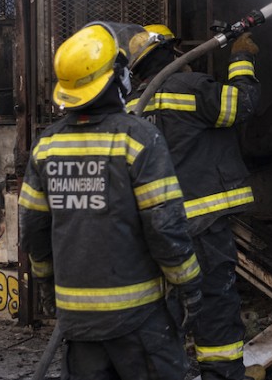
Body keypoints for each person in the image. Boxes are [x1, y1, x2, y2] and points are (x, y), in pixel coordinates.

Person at [19, 21, 203, 380]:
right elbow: (165, 227)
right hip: (139, 321)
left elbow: (33, 230)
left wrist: (47, 286)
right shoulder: (138, 140)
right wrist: (189, 286)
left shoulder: (47, 146)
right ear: (116, 78)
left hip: (78, 323)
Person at [126, 25, 261, 380]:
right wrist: (241, 58)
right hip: (201, 226)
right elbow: (241, 105)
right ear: (171, 54)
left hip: (154, 229)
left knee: (165, 307)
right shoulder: (192, 89)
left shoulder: (128, 108)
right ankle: (222, 375)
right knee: (215, 301)